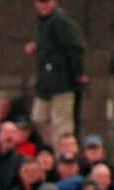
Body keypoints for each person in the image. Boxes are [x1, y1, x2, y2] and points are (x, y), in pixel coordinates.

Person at [25, 0, 88, 150]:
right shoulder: (44, 22)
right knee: (38, 119)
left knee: (62, 126)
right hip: (45, 85)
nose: (44, 5)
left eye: (47, 2)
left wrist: (78, 73)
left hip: (62, 83)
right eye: (41, 2)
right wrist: (37, 47)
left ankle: (64, 158)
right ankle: (52, 151)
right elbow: (52, 48)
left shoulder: (60, 20)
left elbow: (76, 47)